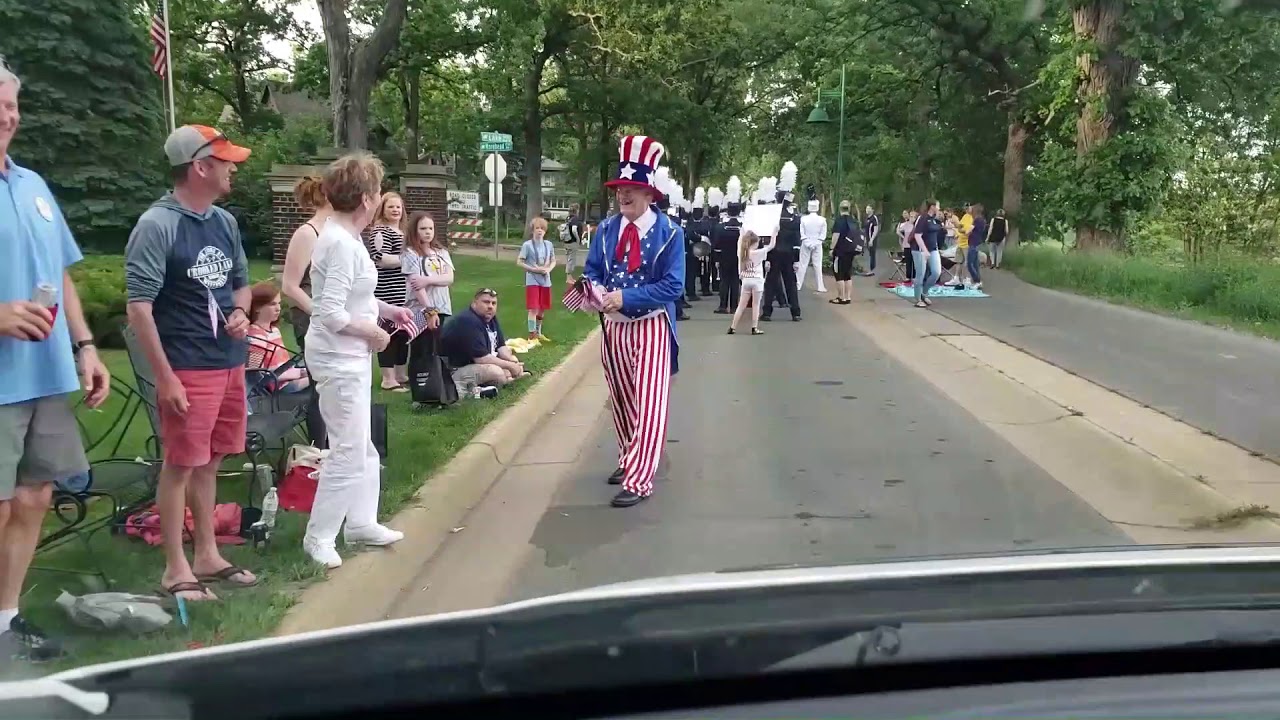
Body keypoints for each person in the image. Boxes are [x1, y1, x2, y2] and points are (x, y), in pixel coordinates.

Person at [0, 58, 109, 661]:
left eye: (13, 106)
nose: (9, 117)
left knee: (36, 497)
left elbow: (60, 275)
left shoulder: (33, 185)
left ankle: (6, 623)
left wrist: (86, 346)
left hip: (44, 375)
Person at [125, 123, 257, 601]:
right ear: (199, 167)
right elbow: (139, 307)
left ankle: (207, 554)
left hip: (228, 360)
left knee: (211, 459)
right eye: (225, 161)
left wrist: (241, 312)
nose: (233, 169)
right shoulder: (157, 226)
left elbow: (240, 283)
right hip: (186, 364)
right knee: (181, 462)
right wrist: (165, 379)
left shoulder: (223, 222)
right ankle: (175, 568)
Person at [304, 152, 414, 569]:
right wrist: (375, 332)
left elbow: (357, 297)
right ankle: (320, 536)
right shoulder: (341, 244)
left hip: (348, 357)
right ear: (368, 198)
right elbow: (330, 313)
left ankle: (361, 523)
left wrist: (387, 311)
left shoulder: (344, 239)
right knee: (349, 451)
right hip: (338, 359)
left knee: (363, 447)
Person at [574, 134, 684, 508]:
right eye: (620, 187)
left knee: (650, 400)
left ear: (650, 193)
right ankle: (629, 457)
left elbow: (673, 285)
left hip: (652, 324)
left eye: (632, 188)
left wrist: (628, 296)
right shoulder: (606, 230)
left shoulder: (670, 233)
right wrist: (595, 291)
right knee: (623, 398)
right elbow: (592, 270)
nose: (623, 195)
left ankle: (640, 478)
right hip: (613, 327)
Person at [280, 175, 328, 447]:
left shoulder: (337, 231)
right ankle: (318, 450)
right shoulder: (307, 233)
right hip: (311, 321)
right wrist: (320, 314)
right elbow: (290, 285)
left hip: (333, 319)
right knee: (320, 388)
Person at [439, 288, 526, 397]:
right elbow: (481, 358)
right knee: (497, 372)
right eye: (486, 302)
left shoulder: (490, 318)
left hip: (473, 364)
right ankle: (471, 390)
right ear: (474, 303)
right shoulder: (468, 321)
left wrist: (512, 362)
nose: (490, 306)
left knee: (508, 366)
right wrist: (511, 366)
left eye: (494, 303)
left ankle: (488, 385)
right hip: (452, 370)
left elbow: (501, 346)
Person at [366, 193, 409, 391]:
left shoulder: (403, 231)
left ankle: (401, 374)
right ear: (382, 209)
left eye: (398, 207)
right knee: (388, 333)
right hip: (386, 290)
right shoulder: (380, 231)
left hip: (403, 291)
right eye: (391, 207)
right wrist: (408, 261)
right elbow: (379, 257)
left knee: (403, 334)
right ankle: (388, 378)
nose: (395, 210)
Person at [401, 211, 452, 373]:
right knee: (421, 347)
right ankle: (419, 382)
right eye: (423, 228)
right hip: (421, 308)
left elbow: (449, 277)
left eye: (430, 228)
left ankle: (434, 381)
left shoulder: (442, 253)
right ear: (414, 230)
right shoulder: (410, 254)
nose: (428, 232)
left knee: (436, 347)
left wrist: (428, 280)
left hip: (442, 305)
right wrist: (429, 311)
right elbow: (416, 285)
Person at [246, 281, 309, 394]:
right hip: (280, 387)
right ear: (257, 308)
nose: (278, 308)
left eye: (279, 303)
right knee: (324, 380)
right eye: (272, 304)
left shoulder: (274, 331)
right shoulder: (256, 336)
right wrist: (299, 373)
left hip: (291, 376)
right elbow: (255, 376)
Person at [761, 163, 801, 322]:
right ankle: (796, 312)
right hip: (790, 254)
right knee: (791, 283)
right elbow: (797, 238)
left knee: (770, 284)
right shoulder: (794, 217)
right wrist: (797, 258)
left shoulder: (772, 216)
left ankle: (767, 312)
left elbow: (766, 237)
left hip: (774, 253)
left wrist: (766, 257)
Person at [729, 228, 777, 335]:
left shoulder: (742, 253)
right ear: (754, 243)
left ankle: (733, 327)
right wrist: (774, 232)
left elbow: (739, 245)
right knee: (756, 305)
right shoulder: (758, 253)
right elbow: (771, 246)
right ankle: (754, 328)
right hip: (757, 280)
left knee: (741, 305)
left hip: (746, 280)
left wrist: (741, 233)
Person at [517, 216, 556, 341]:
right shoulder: (527, 245)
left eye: (542, 228)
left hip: (545, 279)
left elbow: (553, 260)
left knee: (542, 307)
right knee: (533, 307)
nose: (540, 231)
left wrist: (548, 269)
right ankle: (532, 334)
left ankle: (539, 332)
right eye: (537, 228)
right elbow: (519, 261)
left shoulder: (549, 245)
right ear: (532, 230)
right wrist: (533, 269)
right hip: (532, 279)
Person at [714, 176, 745, 314]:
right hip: (738, 257)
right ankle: (733, 306)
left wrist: (716, 259)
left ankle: (722, 306)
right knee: (735, 281)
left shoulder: (721, 227)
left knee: (724, 281)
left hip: (724, 257)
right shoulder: (743, 227)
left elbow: (716, 245)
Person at [910, 200, 943, 307]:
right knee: (920, 274)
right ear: (932, 207)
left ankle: (924, 292)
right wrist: (924, 250)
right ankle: (918, 298)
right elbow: (917, 235)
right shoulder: (923, 218)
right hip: (919, 249)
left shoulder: (934, 219)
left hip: (933, 249)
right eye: (938, 205)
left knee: (936, 272)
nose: (939, 207)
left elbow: (936, 232)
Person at [830, 201, 859, 305]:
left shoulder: (839, 221)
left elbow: (835, 236)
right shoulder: (853, 221)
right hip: (851, 250)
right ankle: (848, 297)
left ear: (840, 208)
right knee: (848, 274)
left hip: (840, 251)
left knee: (839, 274)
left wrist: (831, 248)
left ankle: (841, 297)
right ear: (849, 208)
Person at [797, 197, 828, 292]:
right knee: (818, 265)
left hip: (806, 243)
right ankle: (820, 286)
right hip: (817, 244)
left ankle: (798, 284)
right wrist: (817, 243)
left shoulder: (803, 219)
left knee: (802, 264)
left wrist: (807, 242)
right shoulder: (822, 220)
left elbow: (802, 232)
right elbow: (823, 234)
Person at [967, 204, 987, 290]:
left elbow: (969, 230)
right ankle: (977, 282)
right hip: (977, 242)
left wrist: (963, 231)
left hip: (973, 243)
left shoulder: (977, 220)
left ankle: (977, 280)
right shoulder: (982, 220)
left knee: (970, 263)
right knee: (975, 264)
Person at [862, 204, 881, 277]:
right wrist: (865, 239)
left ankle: (872, 270)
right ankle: (870, 269)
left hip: (872, 239)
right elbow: (866, 230)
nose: (867, 210)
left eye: (869, 208)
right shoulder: (867, 219)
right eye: (866, 208)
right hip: (867, 238)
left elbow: (876, 229)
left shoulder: (874, 218)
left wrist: (872, 240)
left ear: (872, 210)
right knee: (869, 254)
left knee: (872, 254)